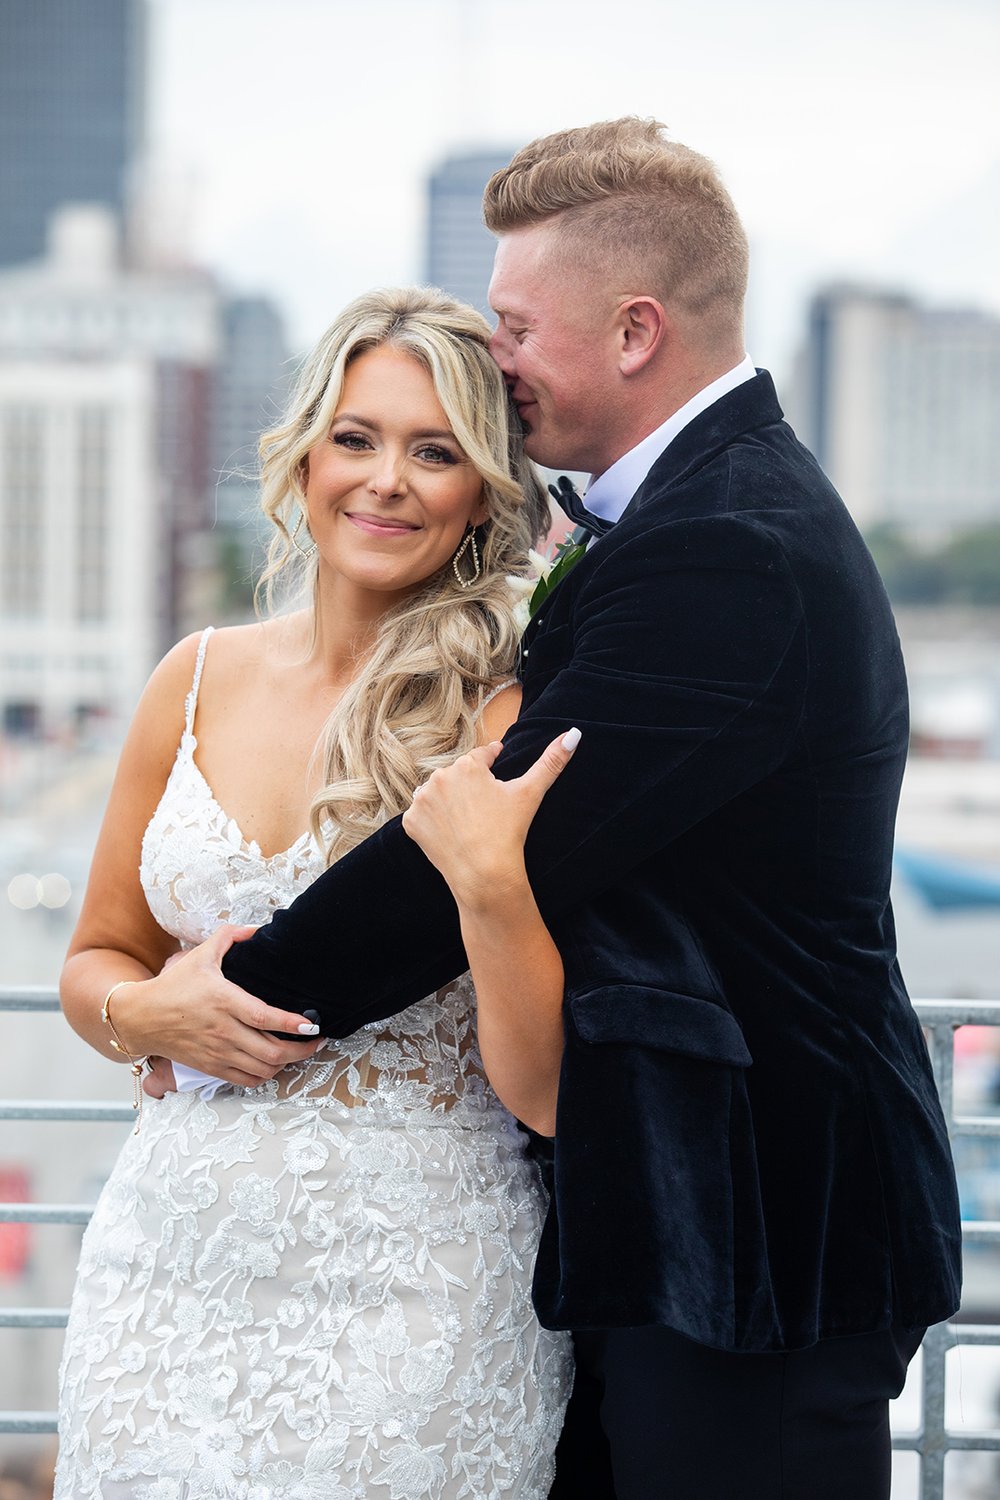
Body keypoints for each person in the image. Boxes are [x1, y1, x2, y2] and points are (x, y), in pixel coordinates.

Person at [150, 118, 964, 1499]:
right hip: (682, 1224)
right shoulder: (686, 513)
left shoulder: (730, 546)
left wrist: (241, 995)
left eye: (517, 322)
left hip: (761, 1240)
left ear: (636, 330)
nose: (495, 356)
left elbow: (485, 838)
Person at [54, 286, 574, 1499]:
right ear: (302, 460)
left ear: (483, 493)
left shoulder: (504, 713)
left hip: (414, 1291)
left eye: (433, 450)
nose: (387, 479)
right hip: (164, 1275)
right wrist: (148, 1017)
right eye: (357, 437)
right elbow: (94, 962)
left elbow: (543, 1081)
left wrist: (491, 879)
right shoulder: (192, 677)